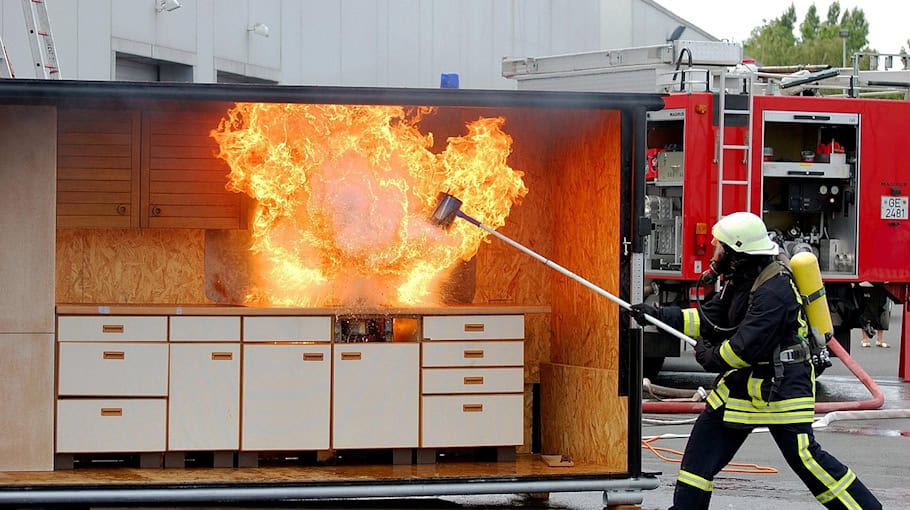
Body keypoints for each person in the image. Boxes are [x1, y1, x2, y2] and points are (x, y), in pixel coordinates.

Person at [630, 212, 881, 510]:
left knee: (806, 459)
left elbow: (741, 349)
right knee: (699, 458)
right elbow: (710, 320)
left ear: (736, 251)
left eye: (719, 247)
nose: (715, 252)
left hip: (783, 388)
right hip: (743, 386)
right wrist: (654, 315)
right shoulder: (742, 279)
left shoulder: (775, 291)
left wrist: (705, 355)